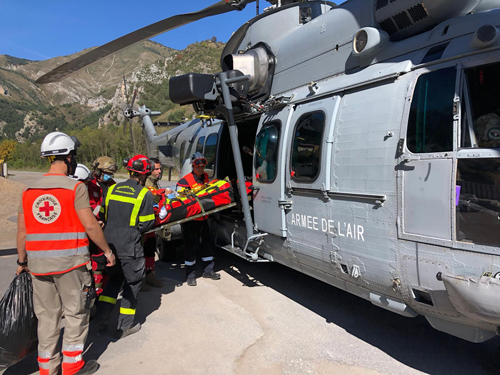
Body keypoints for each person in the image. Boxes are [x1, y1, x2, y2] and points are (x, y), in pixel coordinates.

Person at [16, 132, 116, 375]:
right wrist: (107, 251)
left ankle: (47, 369)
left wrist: (22, 261)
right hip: (70, 264)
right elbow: (91, 225)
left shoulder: (28, 190)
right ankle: (72, 366)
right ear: (69, 157)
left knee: (47, 318)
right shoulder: (74, 188)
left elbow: (22, 232)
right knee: (75, 313)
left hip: (39, 265)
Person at [96, 154, 156, 339]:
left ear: (129, 170)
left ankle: (102, 321)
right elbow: (146, 224)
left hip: (110, 246)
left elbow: (103, 215)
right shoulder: (144, 194)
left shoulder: (112, 189)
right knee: (132, 284)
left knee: (113, 282)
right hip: (130, 247)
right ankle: (125, 327)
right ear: (144, 174)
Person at [176, 152, 221, 286]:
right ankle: (190, 275)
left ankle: (208, 270)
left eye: (202, 167)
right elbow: (180, 201)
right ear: (193, 166)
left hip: (204, 218)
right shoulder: (184, 182)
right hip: (190, 220)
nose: (201, 169)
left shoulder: (205, 177)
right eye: (198, 167)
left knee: (207, 244)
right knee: (191, 247)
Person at [87, 157, 117, 297]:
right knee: (97, 259)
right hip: (92, 227)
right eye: (106, 173)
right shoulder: (88, 185)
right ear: (98, 171)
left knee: (106, 260)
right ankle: (96, 291)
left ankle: (103, 288)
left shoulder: (113, 185)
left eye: (110, 174)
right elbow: (88, 207)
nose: (109, 176)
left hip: (107, 227)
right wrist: (97, 219)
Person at [140, 157, 170, 290]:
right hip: (143, 223)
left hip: (151, 222)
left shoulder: (154, 182)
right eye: (156, 169)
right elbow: (151, 196)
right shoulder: (145, 183)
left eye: (160, 168)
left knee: (150, 249)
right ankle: (141, 280)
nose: (159, 171)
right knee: (141, 251)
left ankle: (150, 275)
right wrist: (164, 194)